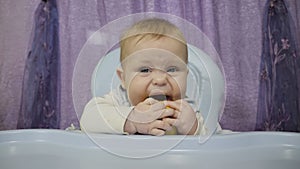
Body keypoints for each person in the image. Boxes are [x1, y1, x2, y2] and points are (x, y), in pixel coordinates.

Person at [80, 18, 207, 136]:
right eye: (145, 70)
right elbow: (88, 119)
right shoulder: (119, 99)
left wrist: (194, 128)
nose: (160, 80)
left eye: (172, 69)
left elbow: (214, 144)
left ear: (186, 76)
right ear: (123, 79)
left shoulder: (187, 109)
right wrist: (131, 120)